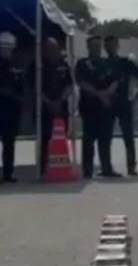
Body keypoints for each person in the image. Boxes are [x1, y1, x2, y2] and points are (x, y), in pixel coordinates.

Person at [75, 35, 119, 178]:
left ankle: (106, 168)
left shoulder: (107, 64)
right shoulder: (82, 63)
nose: (96, 48)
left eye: (98, 46)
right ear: (88, 47)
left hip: (106, 107)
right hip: (89, 106)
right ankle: (87, 170)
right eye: (93, 46)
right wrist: (98, 94)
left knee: (105, 139)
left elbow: (115, 81)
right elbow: (81, 82)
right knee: (88, 139)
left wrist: (107, 94)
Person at [31, 38, 73, 176]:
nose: (52, 51)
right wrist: (49, 102)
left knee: (62, 137)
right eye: (49, 48)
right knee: (44, 139)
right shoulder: (37, 65)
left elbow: (69, 85)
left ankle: (61, 167)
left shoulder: (64, 64)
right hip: (44, 108)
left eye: (54, 48)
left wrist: (60, 101)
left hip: (61, 107)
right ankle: (43, 169)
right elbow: (35, 88)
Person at [104, 36, 138, 176]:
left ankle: (131, 166)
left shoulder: (125, 63)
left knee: (128, 135)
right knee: (106, 136)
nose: (110, 48)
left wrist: (137, 94)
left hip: (123, 102)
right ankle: (107, 167)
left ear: (117, 46)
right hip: (108, 103)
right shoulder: (103, 64)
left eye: (113, 45)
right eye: (107, 45)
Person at [0, 32, 24, 182]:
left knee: (9, 142)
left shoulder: (16, 65)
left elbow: (21, 85)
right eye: (4, 48)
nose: (6, 51)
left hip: (12, 110)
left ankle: (8, 173)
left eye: (9, 48)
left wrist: (20, 97)